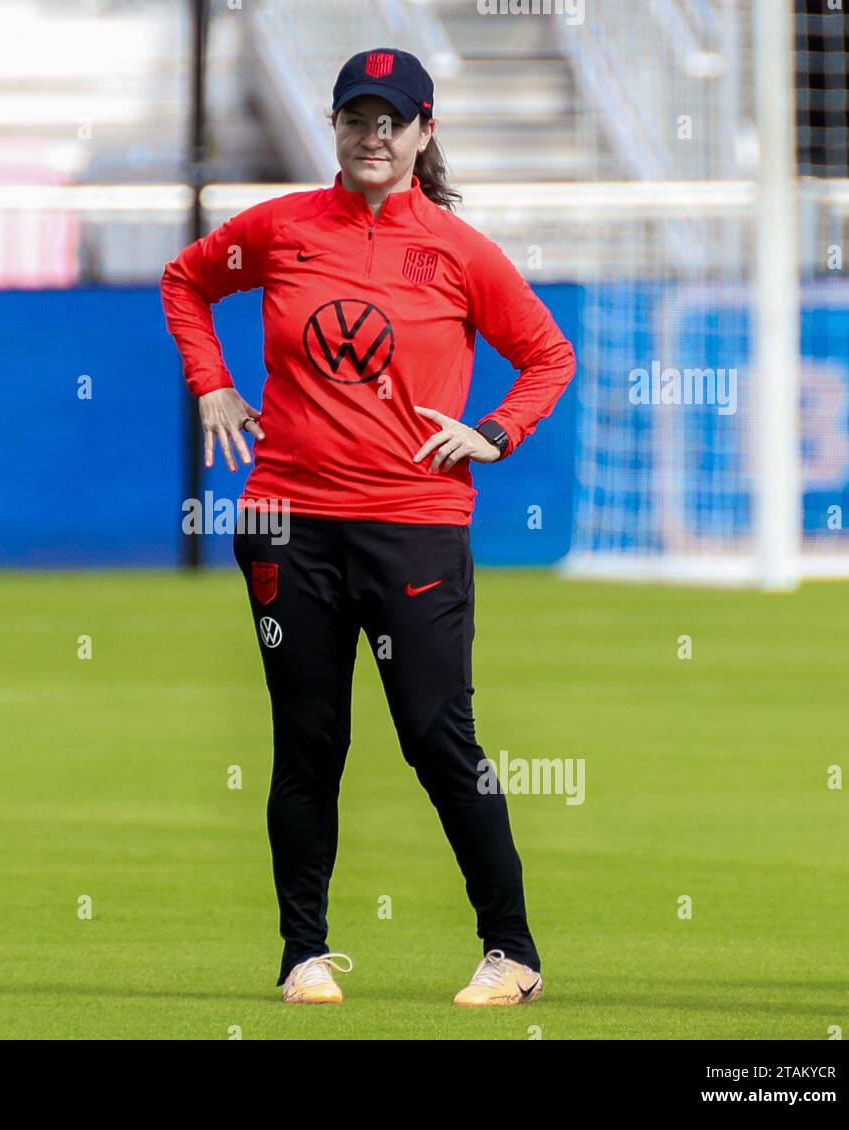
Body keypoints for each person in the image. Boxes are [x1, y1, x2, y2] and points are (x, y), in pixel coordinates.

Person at [160, 47, 575, 1007]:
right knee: (308, 742)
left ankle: (512, 953)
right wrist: (213, 383)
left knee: (438, 737)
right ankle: (302, 954)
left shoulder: (460, 252)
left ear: (425, 132)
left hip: (414, 523)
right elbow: (185, 283)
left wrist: (495, 432)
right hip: (285, 519)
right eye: (357, 117)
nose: (373, 135)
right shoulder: (280, 229)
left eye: (393, 120)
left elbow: (547, 354)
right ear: (335, 127)